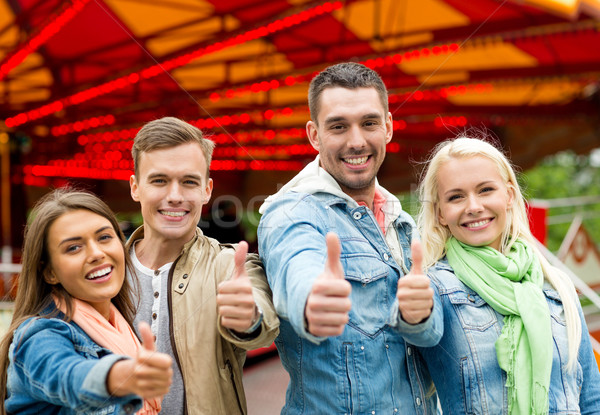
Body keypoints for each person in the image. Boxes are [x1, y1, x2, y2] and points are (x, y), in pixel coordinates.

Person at [258, 62, 442, 414]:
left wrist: (420, 317)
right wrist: (313, 302)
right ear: (314, 135)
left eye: (369, 123)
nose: (356, 141)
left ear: (388, 127)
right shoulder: (290, 213)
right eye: (339, 126)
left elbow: (425, 341)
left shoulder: (401, 221)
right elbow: (297, 266)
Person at [416, 135, 600, 414]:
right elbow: (418, 329)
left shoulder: (556, 285)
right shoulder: (434, 287)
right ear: (440, 212)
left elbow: (591, 400)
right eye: (456, 197)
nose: (473, 206)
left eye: (486, 190)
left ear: (509, 195)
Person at [127, 116, 279, 414]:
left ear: (207, 190)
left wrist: (249, 316)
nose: (175, 196)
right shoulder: (104, 272)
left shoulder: (229, 266)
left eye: (189, 182)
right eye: (159, 180)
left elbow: (263, 323)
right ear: (135, 187)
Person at [0, 189, 173, 415]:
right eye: (73, 248)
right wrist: (119, 376)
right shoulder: (40, 335)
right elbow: (68, 376)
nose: (96, 253)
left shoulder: (120, 324)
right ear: (50, 272)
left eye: (104, 237)